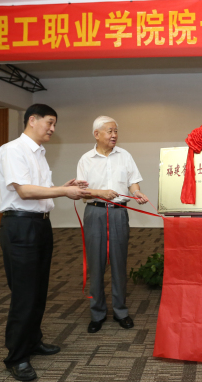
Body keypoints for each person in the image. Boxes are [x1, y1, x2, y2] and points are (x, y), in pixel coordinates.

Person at [0, 104, 89, 381]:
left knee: (38, 290)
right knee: (24, 294)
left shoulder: (39, 153)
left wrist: (63, 187)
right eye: (49, 123)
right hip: (20, 226)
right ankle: (16, 357)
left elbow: (40, 191)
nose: (52, 129)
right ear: (32, 120)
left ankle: (32, 341)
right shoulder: (12, 149)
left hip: (40, 225)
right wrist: (63, 191)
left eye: (54, 124)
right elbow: (24, 192)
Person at [76, 115, 149, 334]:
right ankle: (97, 313)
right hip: (94, 212)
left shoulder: (125, 155)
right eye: (110, 131)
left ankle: (121, 312)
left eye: (116, 131)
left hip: (119, 213)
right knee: (96, 264)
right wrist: (101, 193)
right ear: (96, 134)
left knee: (119, 263)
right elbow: (81, 192)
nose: (114, 135)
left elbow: (132, 182)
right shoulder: (86, 159)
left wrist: (137, 192)